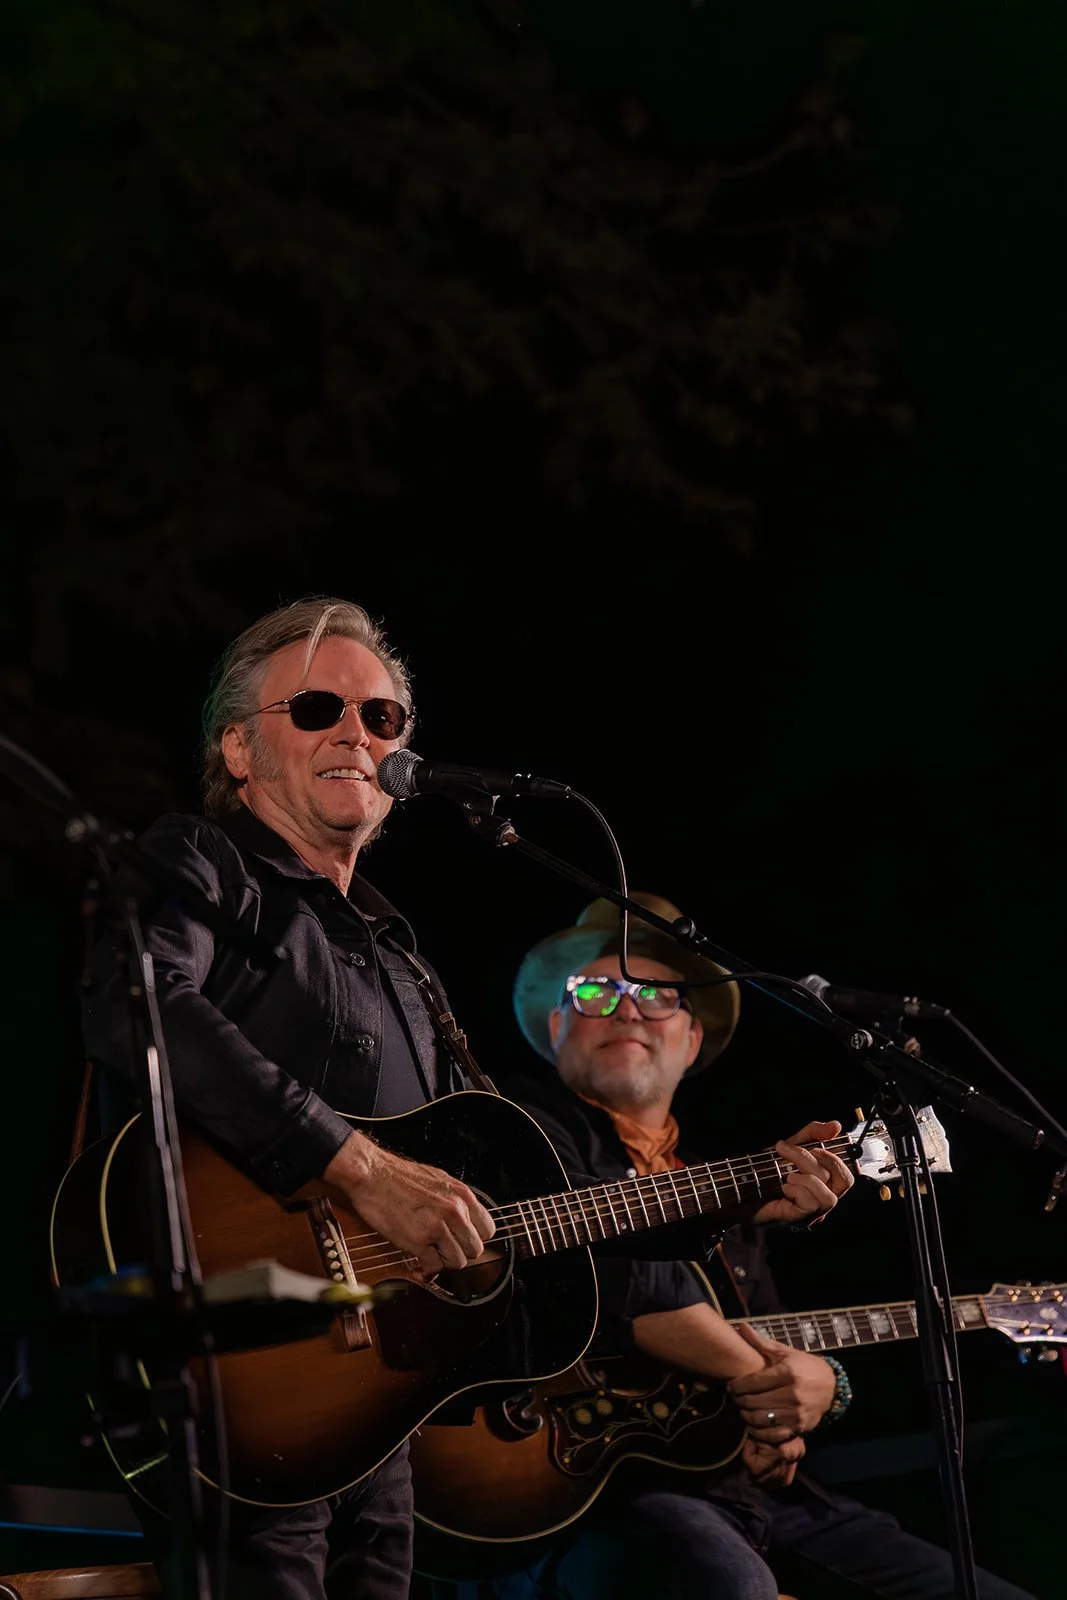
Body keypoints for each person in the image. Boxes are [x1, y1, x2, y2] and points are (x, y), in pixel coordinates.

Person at [77, 600, 849, 1600]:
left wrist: (734, 1195)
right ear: (237, 747)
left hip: (381, 1396)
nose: (356, 731)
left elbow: (530, 1205)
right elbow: (136, 1009)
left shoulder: (402, 960)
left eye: (383, 717)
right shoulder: (205, 863)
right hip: (238, 1359)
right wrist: (355, 1167)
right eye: (317, 707)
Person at [486, 893, 1037, 1600]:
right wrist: (761, 1372)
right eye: (595, 991)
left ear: (689, 1040)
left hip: (751, 1491)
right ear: (557, 1026)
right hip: (595, 1484)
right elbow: (609, 1279)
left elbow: (769, 1339)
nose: (626, 1008)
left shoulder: (722, 1192)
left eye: (656, 995)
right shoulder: (521, 1133)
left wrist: (813, 1394)